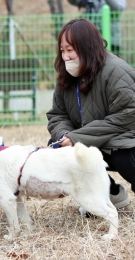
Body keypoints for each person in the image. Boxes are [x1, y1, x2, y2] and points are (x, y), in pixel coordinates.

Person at [47, 18, 135, 215]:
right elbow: (57, 114)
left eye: (70, 50)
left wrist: (78, 138)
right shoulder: (66, 75)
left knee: (122, 154)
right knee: (60, 150)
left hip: (125, 138)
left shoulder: (116, 71)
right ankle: (110, 195)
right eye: (62, 50)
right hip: (92, 140)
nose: (65, 56)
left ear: (87, 47)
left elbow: (129, 114)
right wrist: (64, 136)